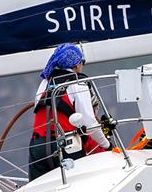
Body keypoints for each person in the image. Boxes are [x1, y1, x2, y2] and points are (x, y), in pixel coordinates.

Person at [28, 43, 111, 181]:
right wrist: (107, 146)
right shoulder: (78, 83)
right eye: (82, 62)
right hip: (67, 146)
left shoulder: (45, 83)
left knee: (40, 190)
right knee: (77, 186)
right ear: (77, 64)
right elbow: (89, 123)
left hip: (38, 147)